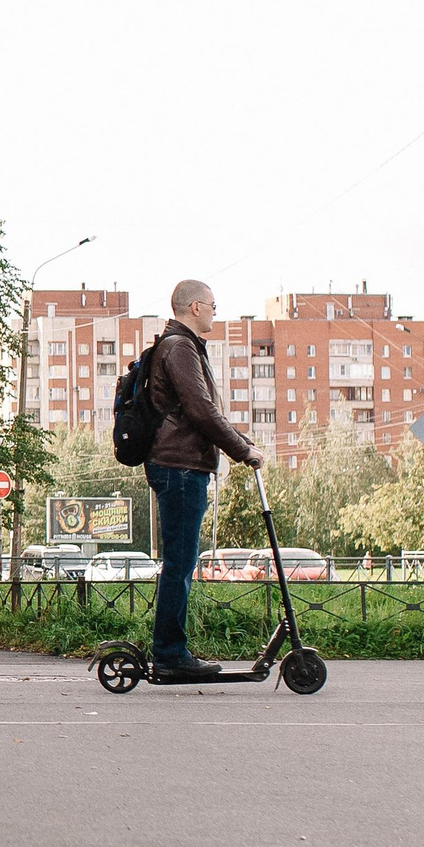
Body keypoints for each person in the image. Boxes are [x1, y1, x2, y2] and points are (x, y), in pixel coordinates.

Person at [147, 281, 262, 679]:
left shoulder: (182, 345)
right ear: (195, 307)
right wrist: (242, 450)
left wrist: (241, 441)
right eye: (213, 304)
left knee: (180, 562)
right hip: (179, 468)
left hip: (182, 466)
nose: (215, 310)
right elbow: (200, 410)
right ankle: (169, 654)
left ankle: (170, 651)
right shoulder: (180, 347)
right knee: (179, 562)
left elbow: (203, 410)